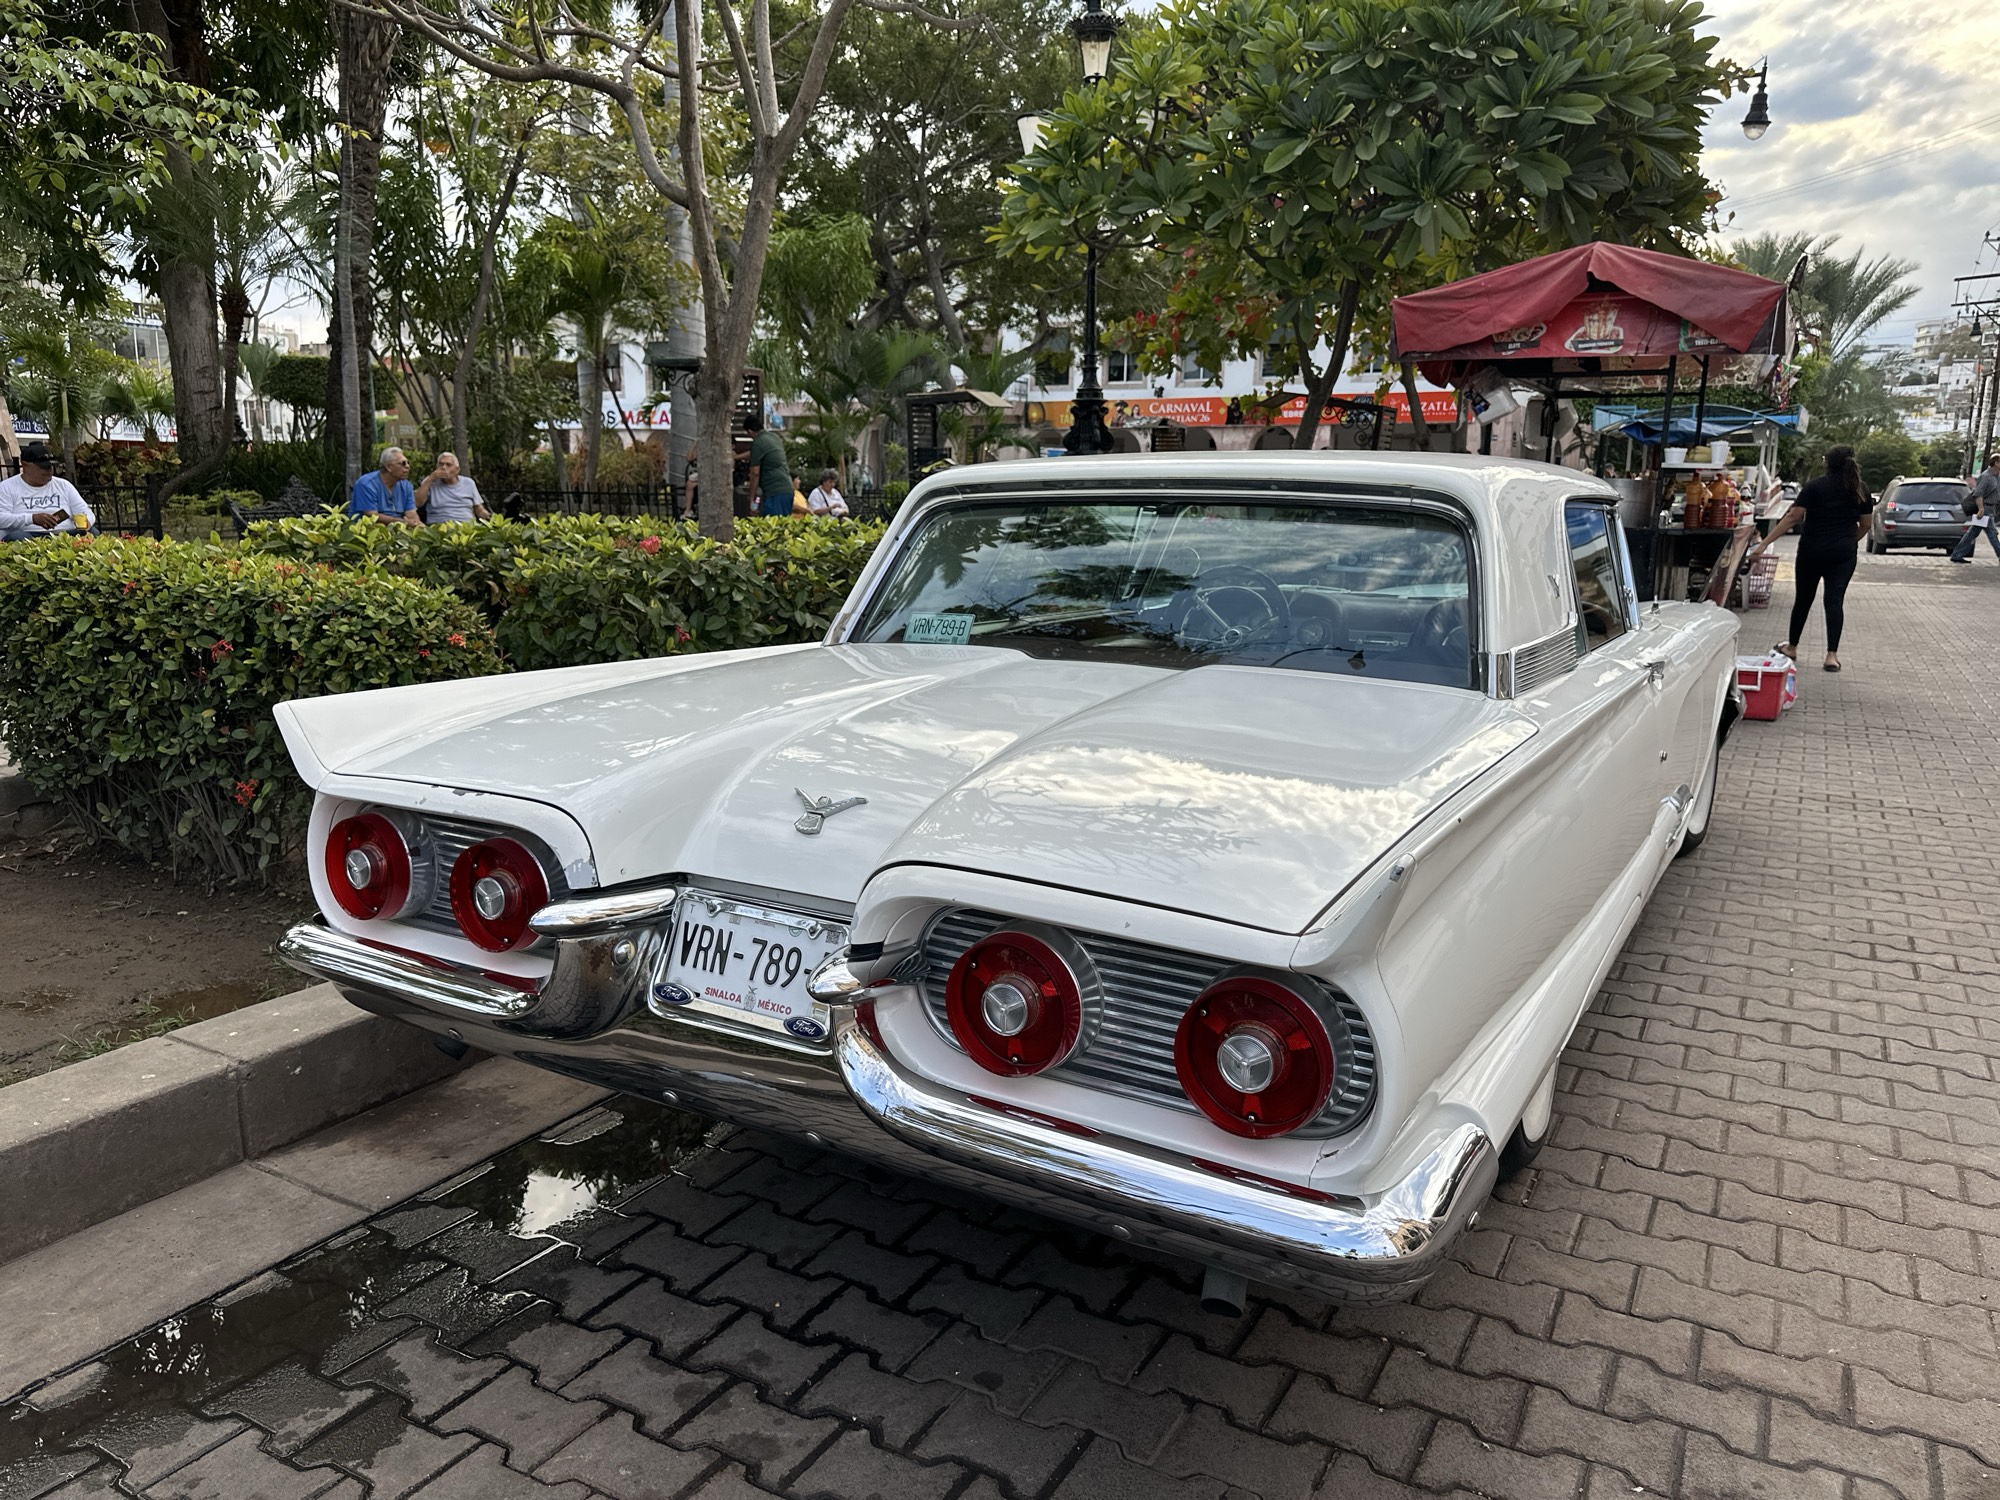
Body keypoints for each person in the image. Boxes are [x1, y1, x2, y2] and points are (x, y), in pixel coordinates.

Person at [1750, 444, 1872, 673]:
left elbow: (1793, 517)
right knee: (1834, 601)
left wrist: (1763, 544)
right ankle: (1831, 656)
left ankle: (1792, 647)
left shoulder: (1815, 486)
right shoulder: (1860, 489)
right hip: (1843, 555)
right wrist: (1848, 541)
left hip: (1811, 551)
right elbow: (1866, 524)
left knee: (1803, 599)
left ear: (1827, 463)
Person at [0, 442, 94, 540]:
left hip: (64, 534)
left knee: (92, 532)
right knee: (17, 537)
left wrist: (87, 521)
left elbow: (84, 510)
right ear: (25, 465)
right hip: (29, 535)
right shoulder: (7, 487)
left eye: (50, 466)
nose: (49, 470)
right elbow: (1, 518)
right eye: (43, 467)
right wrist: (32, 518)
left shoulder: (64, 485)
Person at [347, 447, 421, 526]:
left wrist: (418, 526)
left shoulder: (406, 486)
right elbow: (371, 516)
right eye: (403, 463)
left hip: (399, 529)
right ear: (389, 467)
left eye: (408, 462)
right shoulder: (366, 484)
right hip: (368, 529)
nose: (407, 466)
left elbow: (411, 513)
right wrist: (403, 522)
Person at [1948, 453, 2000, 564]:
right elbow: (1978, 494)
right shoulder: (1986, 476)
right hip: (1985, 508)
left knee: (1972, 534)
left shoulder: (1996, 476)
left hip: (1992, 508)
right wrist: (1981, 509)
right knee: (1992, 534)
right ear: (1996, 463)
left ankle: (1957, 554)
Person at [743, 412, 792, 517]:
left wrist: (751, 500)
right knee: (784, 523)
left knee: (773, 524)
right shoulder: (773, 437)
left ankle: (753, 508)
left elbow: (755, 473)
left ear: (750, 431)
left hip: (774, 492)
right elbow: (755, 453)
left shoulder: (757, 442)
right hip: (787, 489)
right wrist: (735, 457)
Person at [416, 452, 489, 523]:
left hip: (466, 525)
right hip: (440, 526)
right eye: (441, 464)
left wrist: (488, 516)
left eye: (448, 465)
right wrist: (430, 479)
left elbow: (478, 509)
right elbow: (417, 503)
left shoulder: (469, 483)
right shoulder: (430, 482)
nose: (443, 467)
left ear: (457, 469)